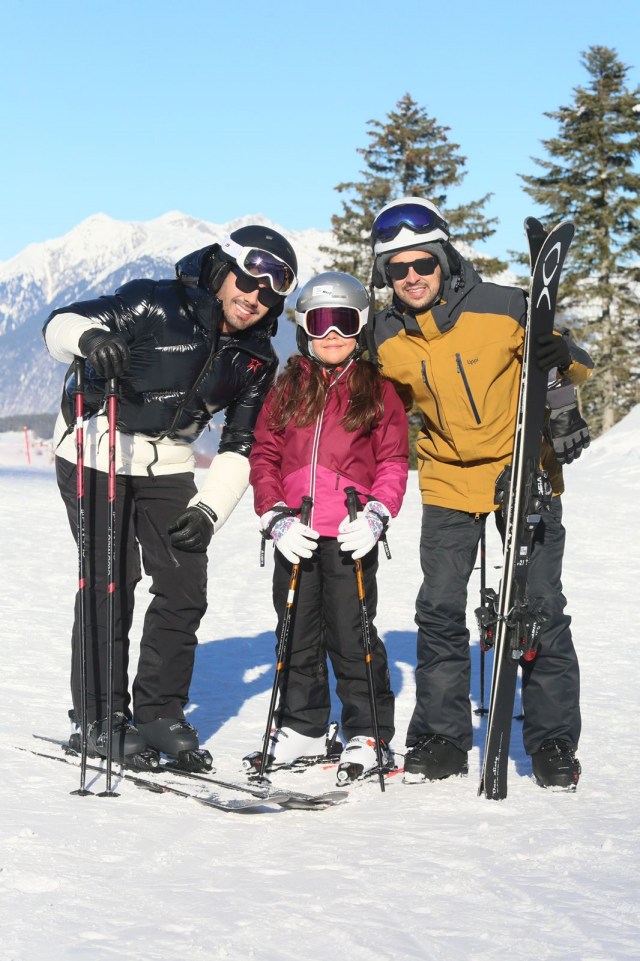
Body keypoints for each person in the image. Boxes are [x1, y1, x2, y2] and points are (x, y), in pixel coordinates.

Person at [43, 224, 298, 768]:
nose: (254, 298)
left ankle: (158, 711)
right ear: (223, 271)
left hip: (170, 461)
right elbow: (58, 324)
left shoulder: (256, 358)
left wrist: (209, 511)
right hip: (96, 445)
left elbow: (240, 444)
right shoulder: (154, 302)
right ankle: (97, 715)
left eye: (270, 293)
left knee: (184, 584)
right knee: (111, 579)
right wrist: (90, 341)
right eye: (247, 282)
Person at [368, 196, 593, 790]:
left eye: (423, 263)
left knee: (540, 604)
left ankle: (552, 742)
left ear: (445, 259)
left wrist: (562, 357)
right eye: (398, 269)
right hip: (446, 475)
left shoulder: (503, 306)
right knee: (439, 608)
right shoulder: (384, 335)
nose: (412, 277)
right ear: (384, 276)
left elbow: (576, 364)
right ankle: (441, 737)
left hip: (522, 468)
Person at [245, 271, 409, 782]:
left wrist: (378, 514)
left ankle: (368, 729)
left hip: (350, 534)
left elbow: (393, 462)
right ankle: (304, 725)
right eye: (320, 322)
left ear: (360, 325)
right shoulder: (287, 388)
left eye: (343, 321)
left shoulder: (379, 392)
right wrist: (273, 515)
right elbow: (264, 456)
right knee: (295, 633)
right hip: (296, 534)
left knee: (352, 632)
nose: (332, 334)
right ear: (305, 329)